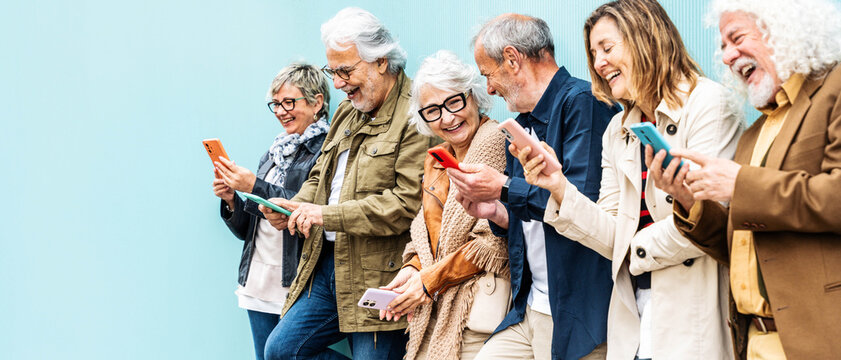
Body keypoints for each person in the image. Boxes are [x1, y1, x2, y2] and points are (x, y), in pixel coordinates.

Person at [514, 1, 743, 359]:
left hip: (692, 315)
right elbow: (609, 233)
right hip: (633, 317)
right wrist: (557, 186)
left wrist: (631, 250)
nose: (599, 63)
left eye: (607, 48)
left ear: (646, 38)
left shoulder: (709, 105)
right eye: (594, 53)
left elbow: (707, 224)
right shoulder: (616, 132)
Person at [649, 0, 841, 358]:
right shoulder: (754, 134)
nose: (726, 56)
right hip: (752, 341)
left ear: (784, 30)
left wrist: (740, 185)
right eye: (723, 46)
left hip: (819, 339)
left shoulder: (836, 89)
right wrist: (688, 200)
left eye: (736, 38)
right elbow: (740, 249)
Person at [257, 7, 428, 360]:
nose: (337, 84)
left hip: (379, 272)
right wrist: (297, 205)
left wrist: (324, 215)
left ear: (381, 61)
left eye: (345, 71)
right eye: (332, 71)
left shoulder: (415, 115)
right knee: (281, 351)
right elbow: (321, 173)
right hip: (326, 266)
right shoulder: (346, 111)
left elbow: (406, 204)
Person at [447, 13, 618, 360]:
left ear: (512, 59)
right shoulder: (519, 123)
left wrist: (503, 188)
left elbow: (577, 204)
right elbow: (534, 216)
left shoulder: (584, 104)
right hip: (528, 306)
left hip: (575, 312)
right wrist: (495, 212)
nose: (490, 89)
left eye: (488, 75)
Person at [377, 50, 510, 360]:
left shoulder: (499, 143)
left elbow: (491, 244)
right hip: (436, 298)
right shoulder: (436, 159)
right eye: (433, 110)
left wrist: (428, 281)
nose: (447, 118)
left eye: (454, 102)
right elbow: (426, 232)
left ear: (474, 96)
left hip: (476, 309)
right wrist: (412, 270)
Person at [212, 63, 331, 360]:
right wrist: (231, 200)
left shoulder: (327, 150)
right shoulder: (274, 151)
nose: (280, 111)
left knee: (285, 353)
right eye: (275, 104)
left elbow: (306, 206)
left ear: (317, 102)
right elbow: (249, 227)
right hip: (258, 279)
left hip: (295, 281)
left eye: (289, 102)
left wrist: (253, 184)